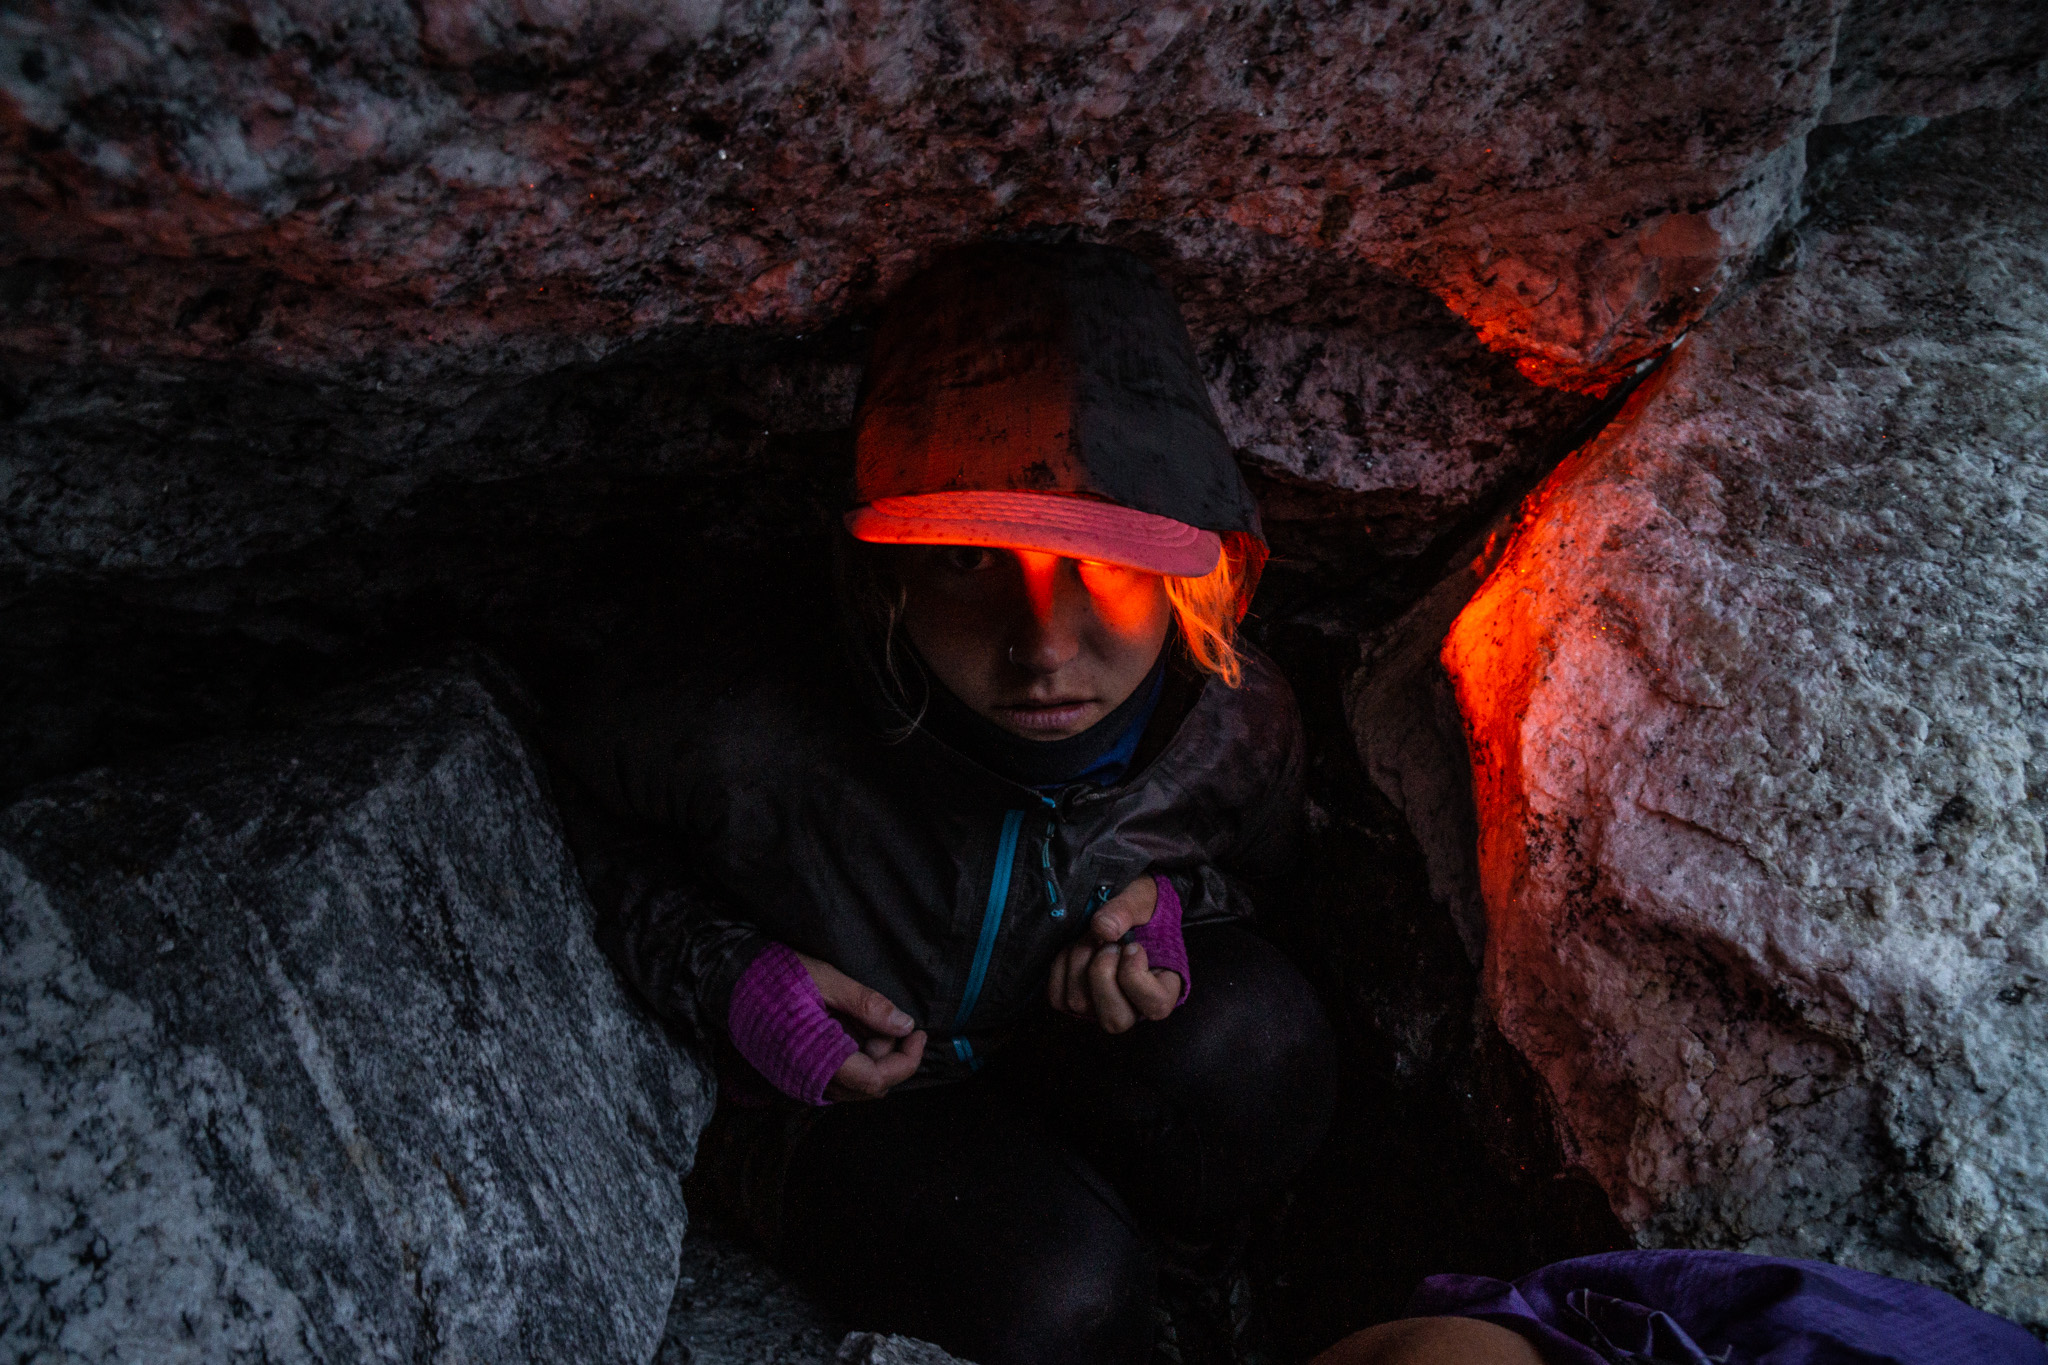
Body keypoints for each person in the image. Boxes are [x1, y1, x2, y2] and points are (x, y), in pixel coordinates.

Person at [547, 242, 1335, 1365]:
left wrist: (1168, 910)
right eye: (968, 561)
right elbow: (558, 826)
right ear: (885, 576)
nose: (1043, 646)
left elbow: (1269, 895)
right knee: (1057, 1295)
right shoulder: (738, 724)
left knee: (1253, 1048)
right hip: (841, 1106)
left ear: (1192, 577)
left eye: (1107, 568)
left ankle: (1192, 1286)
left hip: (1061, 1051)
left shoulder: (1232, 724)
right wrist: (728, 978)